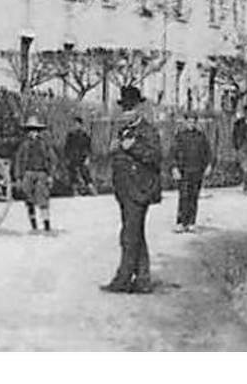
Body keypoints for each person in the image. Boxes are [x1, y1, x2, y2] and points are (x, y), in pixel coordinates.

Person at [103, 85, 163, 294]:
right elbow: (119, 160)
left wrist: (133, 147)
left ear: (138, 109)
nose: (126, 112)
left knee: (129, 235)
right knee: (135, 233)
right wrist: (114, 151)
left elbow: (155, 158)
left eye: (130, 108)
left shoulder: (148, 131)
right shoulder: (123, 132)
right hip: (125, 191)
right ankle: (143, 279)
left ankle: (123, 279)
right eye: (124, 108)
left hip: (140, 190)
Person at [13, 116, 58, 233]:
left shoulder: (44, 144)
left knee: (43, 199)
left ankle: (47, 226)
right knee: (29, 200)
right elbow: (18, 161)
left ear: (38, 132)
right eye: (30, 130)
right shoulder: (24, 145)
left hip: (41, 174)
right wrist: (18, 177)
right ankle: (34, 227)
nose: (32, 133)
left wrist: (50, 175)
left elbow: (53, 160)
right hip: (27, 174)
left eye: (34, 130)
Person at [171, 112, 212, 232]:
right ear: (184, 122)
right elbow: (173, 153)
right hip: (183, 170)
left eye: (193, 122)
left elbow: (207, 152)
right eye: (189, 121)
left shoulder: (201, 137)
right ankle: (180, 222)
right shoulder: (180, 136)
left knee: (194, 197)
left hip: (197, 170)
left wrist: (208, 165)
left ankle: (191, 222)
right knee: (183, 196)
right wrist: (174, 168)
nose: (191, 124)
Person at [63, 117, 95, 196]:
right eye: (74, 124)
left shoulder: (85, 135)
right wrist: (67, 157)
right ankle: (75, 190)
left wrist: (87, 157)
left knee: (85, 173)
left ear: (81, 125)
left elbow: (88, 148)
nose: (75, 125)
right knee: (73, 174)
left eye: (77, 124)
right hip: (72, 157)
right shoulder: (70, 135)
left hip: (82, 157)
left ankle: (90, 188)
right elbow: (67, 147)